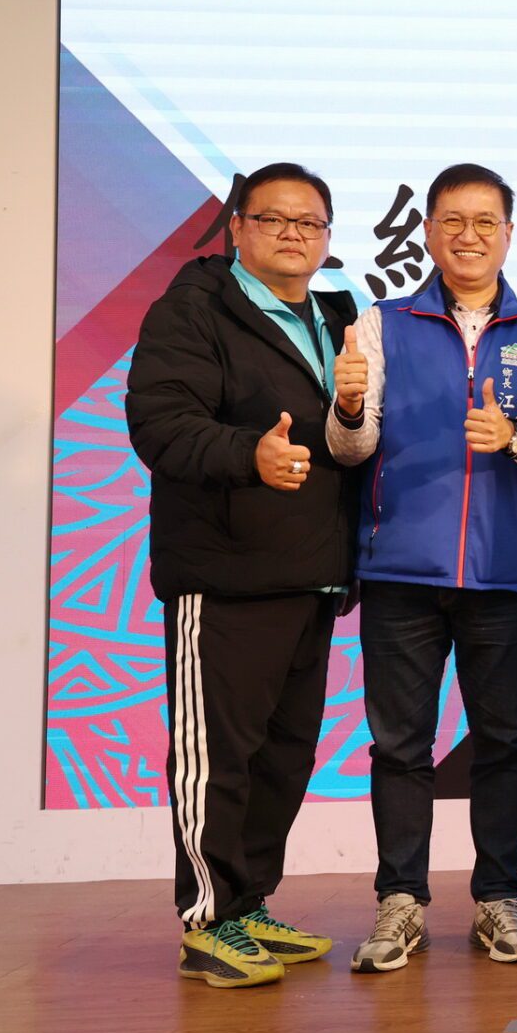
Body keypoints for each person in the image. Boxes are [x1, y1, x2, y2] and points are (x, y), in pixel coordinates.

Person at [125, 162, 357, 987]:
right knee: (215, 757)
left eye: (310, 223)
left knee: (282, 757)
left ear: (326, 239)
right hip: (224, 573)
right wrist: (246, 454)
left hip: (312, 572)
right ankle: (208, 918)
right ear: (236, 227)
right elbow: (160, 423)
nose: (293, 234)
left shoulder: (338, 317)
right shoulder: (194, 309)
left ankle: (249, 902)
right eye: (273, 219)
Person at [326, 163, 517, 973]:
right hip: (402, 571)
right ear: (426, 231)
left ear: (509, 234)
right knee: (401, 747)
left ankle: (499, 900)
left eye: (485, 221)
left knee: (505, 743)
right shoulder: (383, 323)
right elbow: (351, 447)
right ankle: (401, 902)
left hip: (504, 571)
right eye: (452, 221)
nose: (469, 235)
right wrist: (347, 404)